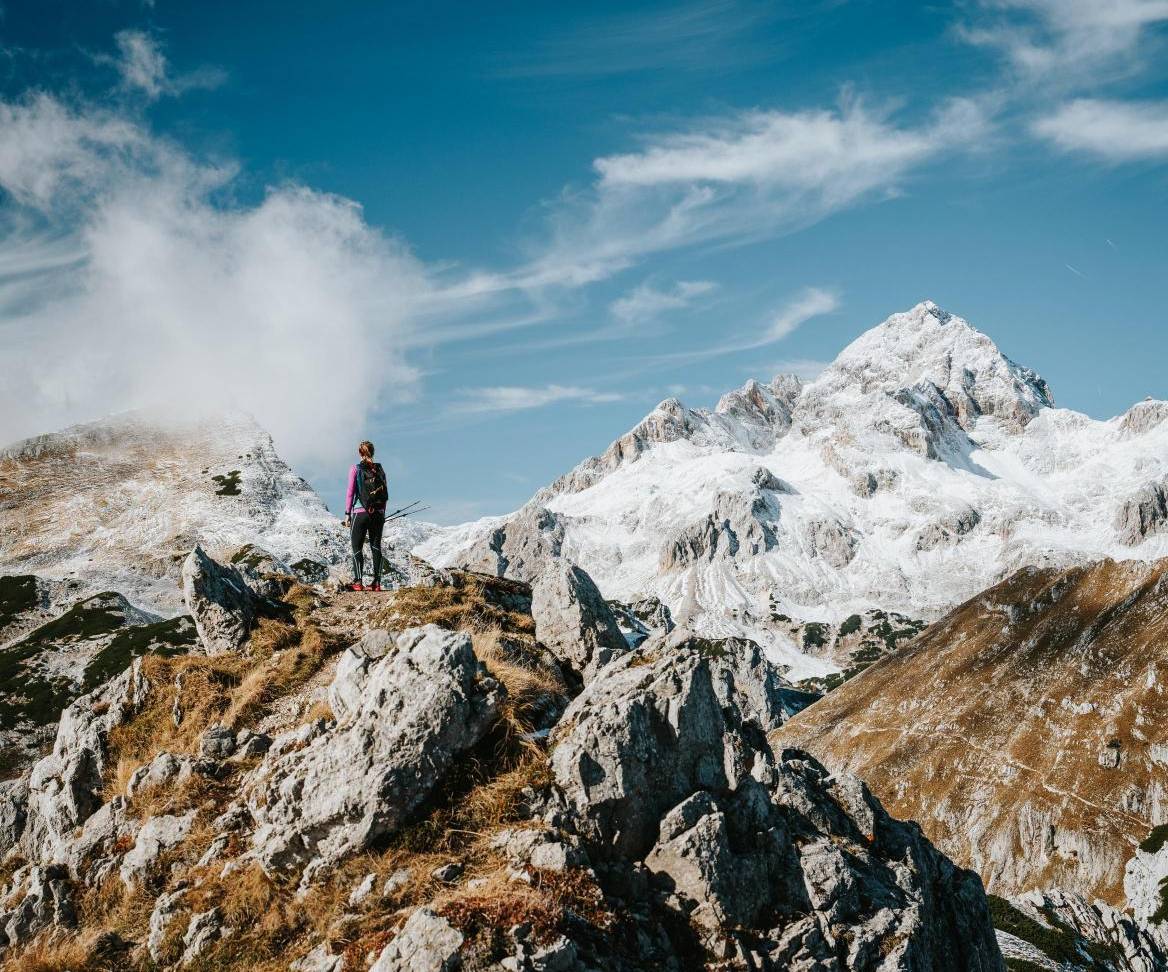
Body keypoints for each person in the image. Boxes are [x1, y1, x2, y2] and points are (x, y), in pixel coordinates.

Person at [343, 440, 388, 591]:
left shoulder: (355, 469)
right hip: (378, 513)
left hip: (360, 513)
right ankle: (377, 583)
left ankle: (358, 582)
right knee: (376, 547)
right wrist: (382, 512)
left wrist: (347, 513)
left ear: (360, 453)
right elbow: (384, 493)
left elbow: (350, 492)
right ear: (373, 452)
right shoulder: (380, 470)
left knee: (357, 547)